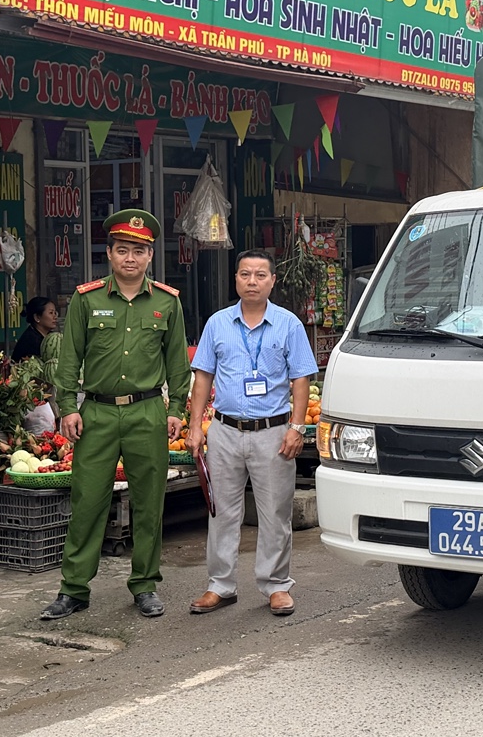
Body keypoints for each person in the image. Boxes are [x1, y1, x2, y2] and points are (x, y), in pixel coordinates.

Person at [41, 210, 191, 621]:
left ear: (150, 256)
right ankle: (73, 588)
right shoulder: (87, 300)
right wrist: (68, 408)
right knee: (88, 499)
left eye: (139, 251)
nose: (130, 258)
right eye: (122, 250)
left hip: (147, 412)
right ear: (108, 254)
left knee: (149, 503)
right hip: (98, 414)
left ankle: (144, 584)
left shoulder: (166, 302)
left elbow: (177, 362)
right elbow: (69, 359)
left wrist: (177, 408)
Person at [187, 250, 317, 618]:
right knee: (222, 512)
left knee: (274, 512)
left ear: (272, 281)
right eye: (245, 274)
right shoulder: (217, 323)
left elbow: (301, 378)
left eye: (260, 275)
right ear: (236, 280)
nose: (252, 281)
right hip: (225, 431)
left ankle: (276, 586)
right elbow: (203, 377)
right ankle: (220, 586)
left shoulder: (288, 324)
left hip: (272, 433)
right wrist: (196, 427)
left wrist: (296, 426)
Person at [12, 296, 58, 362]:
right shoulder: (31, 341)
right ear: (37, 317)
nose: (55, 317)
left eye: (55, 313)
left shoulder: (49, 336)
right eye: (51, 313)